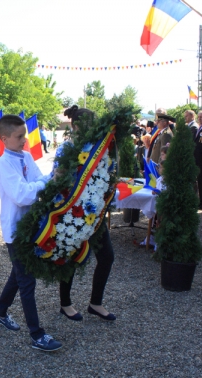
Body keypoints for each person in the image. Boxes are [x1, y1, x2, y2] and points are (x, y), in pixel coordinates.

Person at [0, 114, 62, 352]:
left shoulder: (26, 156)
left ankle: (0, 312)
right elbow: (22, 195)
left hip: (31, 226)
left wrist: (52, 177)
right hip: (16, 230)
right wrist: (44, 183)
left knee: (18, 274)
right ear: (4, 138)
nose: (25, 140)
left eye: (25, 135)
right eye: (20, 136)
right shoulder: (2, 164)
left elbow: (36, 181)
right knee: (26, 280)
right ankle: (36, 335)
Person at [58, 105, 116, 322]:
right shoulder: (67, 148)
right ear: (74, 127)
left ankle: (96, 303)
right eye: (85, 127)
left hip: (95, 213)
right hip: (74, 213)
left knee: (107, 257)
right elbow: (58, 177)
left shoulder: (99, 149)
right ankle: (65, 304)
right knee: (72, 258)